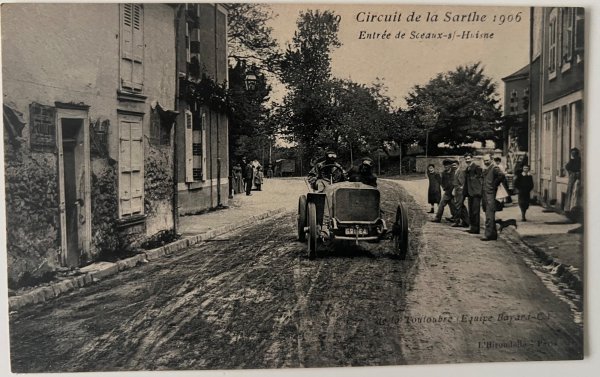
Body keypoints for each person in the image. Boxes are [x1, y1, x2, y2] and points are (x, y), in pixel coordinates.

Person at [481, 154, 505, 241]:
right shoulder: (487, 169)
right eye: (484, 161)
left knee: (489, 216)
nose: (486, 162)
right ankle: (493, 235)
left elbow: (501, 176)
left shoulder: (494, 168)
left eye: (487, 160)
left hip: (491, 195)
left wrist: (494, 186)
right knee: (489, 215)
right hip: (486, 195)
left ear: (491, 160)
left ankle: (488, 235)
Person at [464, 153, 483, 234]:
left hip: (476, 193)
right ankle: (472, 227)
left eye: (468, 158)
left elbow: (480, 179)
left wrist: (478, 190)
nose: (467, 160)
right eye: (466, 159)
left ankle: (476, 229)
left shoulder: (476, 167)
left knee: (475, 211)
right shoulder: (468, 168)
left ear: (472, 158)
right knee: (471, 210)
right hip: (470, 192)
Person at [451, 159, 469, 228]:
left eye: (455, 165)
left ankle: (456, 221)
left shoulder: (460, 172)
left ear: (458, 165)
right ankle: (466, 222)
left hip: (460, 192)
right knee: (462, 207)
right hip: (457, 191)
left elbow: (462, 183)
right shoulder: (455, 172)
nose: (454, 166)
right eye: (452, 165)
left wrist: (460, 189)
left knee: (457, 206)